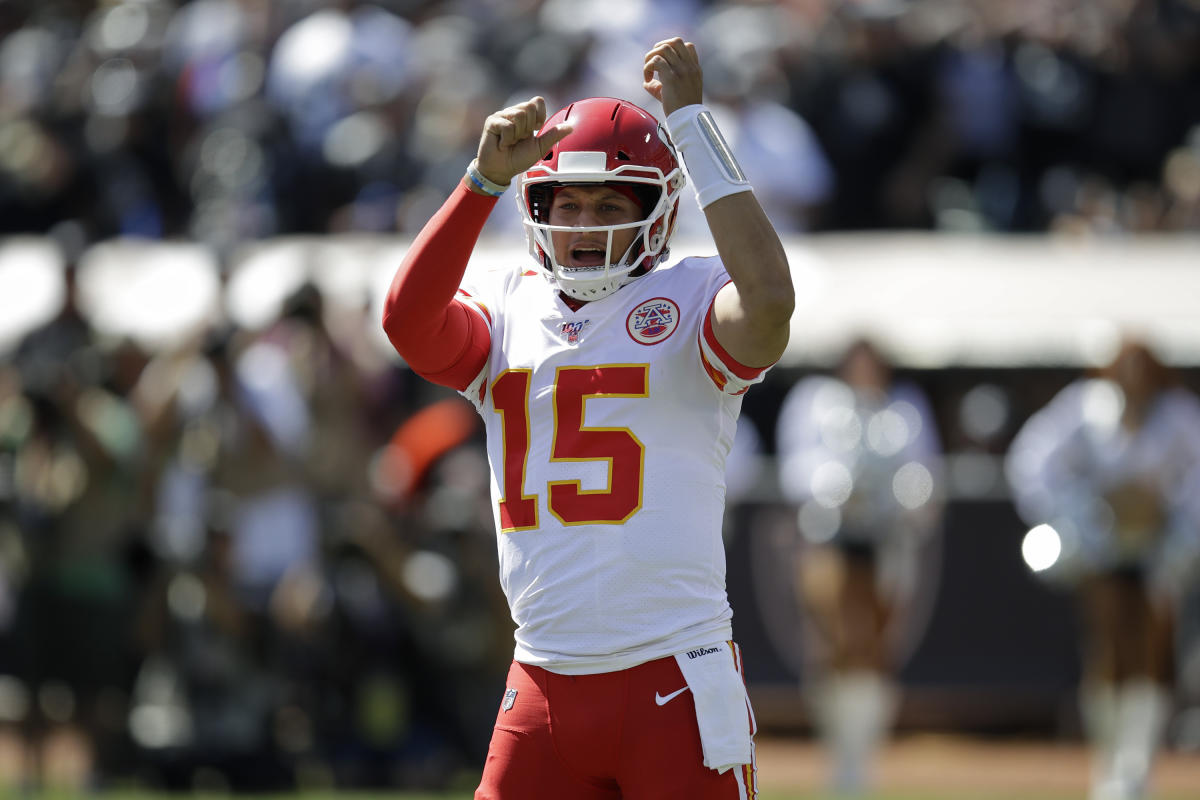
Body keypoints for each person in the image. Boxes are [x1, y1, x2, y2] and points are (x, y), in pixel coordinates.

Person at [382, 36, 793, 800]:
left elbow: (768, 302)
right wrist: (479, 182)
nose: (585, 223)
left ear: (658, 211)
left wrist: (695, 126)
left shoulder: (695, 295)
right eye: (565, 203)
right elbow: (407, 321)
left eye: (610, 204)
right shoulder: (510, 305)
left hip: (673, 671)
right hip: (541, 675)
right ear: (537, 208)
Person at [1005, 337, 1200, 800]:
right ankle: (1109, 766)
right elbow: (1032, 463)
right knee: (1108, 655)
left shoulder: (1177, 415)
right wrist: (1087, 512)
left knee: (1152, 656)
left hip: (1159, 554)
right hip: (1102, 552)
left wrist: (1166, 510)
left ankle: (1137, 768)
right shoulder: (1084, 408)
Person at [774, 338, 944, 796]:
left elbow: (923, 475)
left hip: (886, 544)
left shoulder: (905, 409)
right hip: (830, 541)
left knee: (876, 648)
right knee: (834, 647)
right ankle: (841, 757)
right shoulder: (814, 402)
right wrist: (836, 488)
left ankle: (862, 759)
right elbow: (797, 467)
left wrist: (896, 502)